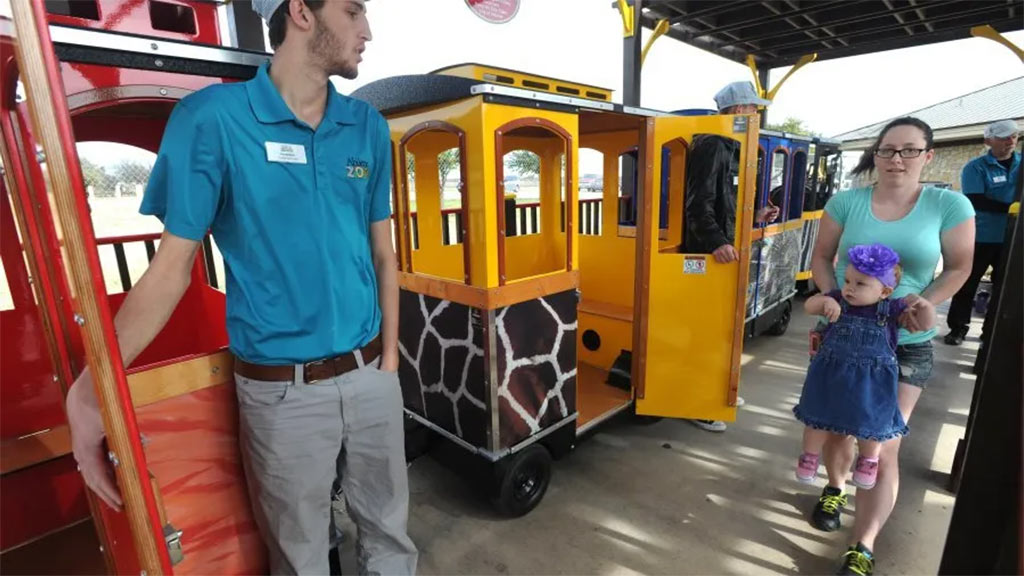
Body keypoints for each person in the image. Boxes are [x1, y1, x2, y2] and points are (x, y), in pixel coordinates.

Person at [63, 0, 418, 573]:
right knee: (299, 552)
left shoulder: (367, 126)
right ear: (301, 12)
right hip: (283, 394)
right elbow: (172, 267)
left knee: (390, 538)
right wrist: (89, 391)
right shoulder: (213, 120)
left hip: (371, 375)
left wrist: (391, 362)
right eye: (353, 12)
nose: (367, 30)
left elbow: (383, 252)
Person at [808, 117, 973, 575]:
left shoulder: (949, 204)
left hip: (906, 342)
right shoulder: (847, 202)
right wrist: (828, 299)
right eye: (887, 150)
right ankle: (835, 487)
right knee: (838, 425)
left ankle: (862, 543)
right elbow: (822, 257)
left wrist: (928, 300)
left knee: (881, 441)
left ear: (928, 155)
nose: (896, 159)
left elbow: (959, 267)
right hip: (846, 337)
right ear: (875, 155)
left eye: (909, 150)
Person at [795, 244, 935, 491]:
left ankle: (868, 460)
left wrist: (926, 307)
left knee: (872, 422)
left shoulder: (892, 309)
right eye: (848, 280)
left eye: (860, 284)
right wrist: (825, 300)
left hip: (872, 383)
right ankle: (809, 456)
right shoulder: (838, 298)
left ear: (885, 291)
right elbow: (809, 306)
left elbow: (924, 325)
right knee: (817, 417)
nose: (850, 287)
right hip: (830, 376)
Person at [684, 81, 780, 433]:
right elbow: (698, 206)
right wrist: (716, 242)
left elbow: (722, 204)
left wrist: (753, 217)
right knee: (707, 332)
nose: (756, 115)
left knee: (722, 330)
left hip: (717, 252)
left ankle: (719, 392)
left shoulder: (727, 145)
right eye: (753, 109)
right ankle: (699, 401)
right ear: (738, 111)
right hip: (707, 256)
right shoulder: (712, 144)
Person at [943, 119, 1020, 346]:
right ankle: (958, 328)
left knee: (1005, 287)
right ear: (988, 140)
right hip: (980, 237)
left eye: (1014, 136)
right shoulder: (975, 168)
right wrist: (1010, 208)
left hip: (1013, 239)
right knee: (967, 282)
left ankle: (991, 332)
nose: (1010, 141)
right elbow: (976, 200)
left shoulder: (1021, 163)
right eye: (1004, 137)